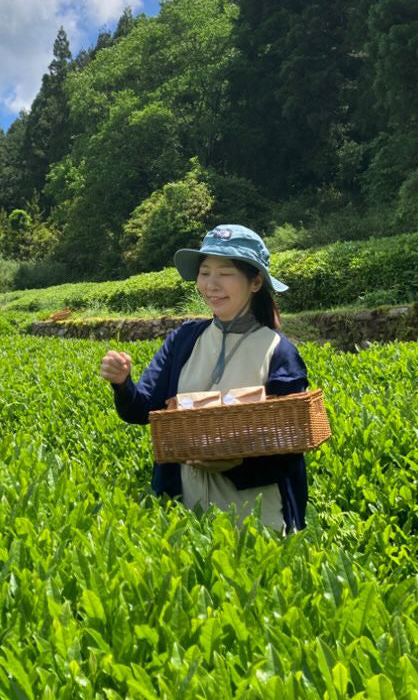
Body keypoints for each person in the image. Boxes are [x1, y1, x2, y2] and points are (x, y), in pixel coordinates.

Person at [100, 225, 308, 534]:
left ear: (255, 282)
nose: (211, 284)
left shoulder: (278, 352)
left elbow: (291, 443)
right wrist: (122, 383)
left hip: (258, 522)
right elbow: (142, 411)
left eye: (225, 273)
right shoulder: (184, 340)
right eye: (205, 272)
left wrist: (232, 460)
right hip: (187, 516)